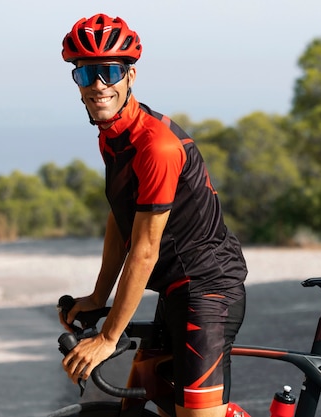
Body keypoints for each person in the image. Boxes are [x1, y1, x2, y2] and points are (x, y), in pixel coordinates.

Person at [58, 13, 248, 417]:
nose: (98, 85)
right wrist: (97, 296)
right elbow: (121, 220)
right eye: (86, 73)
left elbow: (144, 250)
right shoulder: (113, 136)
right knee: (155, 401)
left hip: (207, 290)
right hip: (177, 289)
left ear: (130, 76)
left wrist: (109, 337)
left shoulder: (156, 146)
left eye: (109, 71)